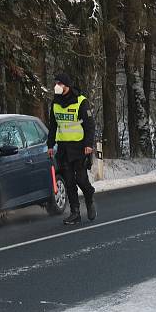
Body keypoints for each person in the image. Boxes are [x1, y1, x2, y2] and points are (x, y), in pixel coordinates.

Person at [46, 74, 97, 225]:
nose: (57, 86)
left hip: (79, 147)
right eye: (56, 84)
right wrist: (50, 145)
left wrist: (89, 144)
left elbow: (90, 125)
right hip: (63, 148)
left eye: (60, 84)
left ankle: (89, 195)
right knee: (68, 182)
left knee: (81, 179)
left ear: (67, 85)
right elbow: (53, 126)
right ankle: (75, 213)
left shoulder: (81, 101)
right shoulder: (55, 103)